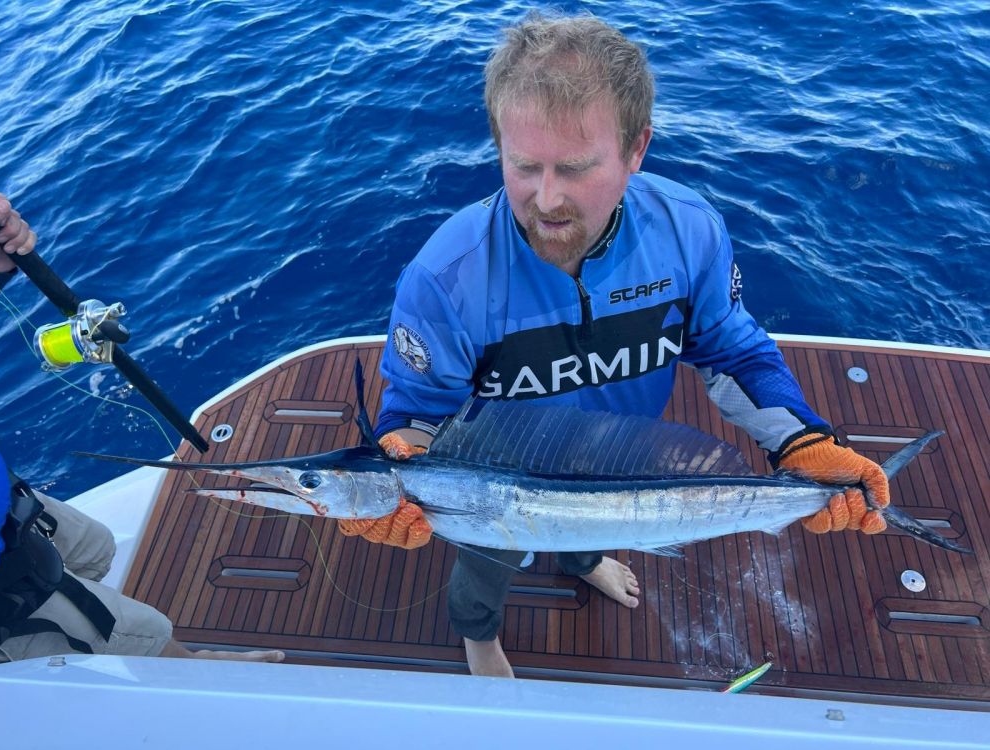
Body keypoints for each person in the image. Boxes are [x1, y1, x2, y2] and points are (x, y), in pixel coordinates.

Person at [337, 14, 890, 678]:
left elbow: (732, 354)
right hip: (493, 483)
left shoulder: (689, 235)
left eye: (575, 168)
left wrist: (801, 442)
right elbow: (418, 410)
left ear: (636, 150)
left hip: (625, 464)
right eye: (523, 165)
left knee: (594, 532)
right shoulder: (444, 278)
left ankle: (584, 558)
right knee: (485, 566)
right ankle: (479, 637)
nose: (546, 199)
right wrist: (401, 463)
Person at [0, 192, 285, 665]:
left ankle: (99, 645)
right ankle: (181, 670)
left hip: (12, 513)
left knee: (95, 549)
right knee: (148, 635)